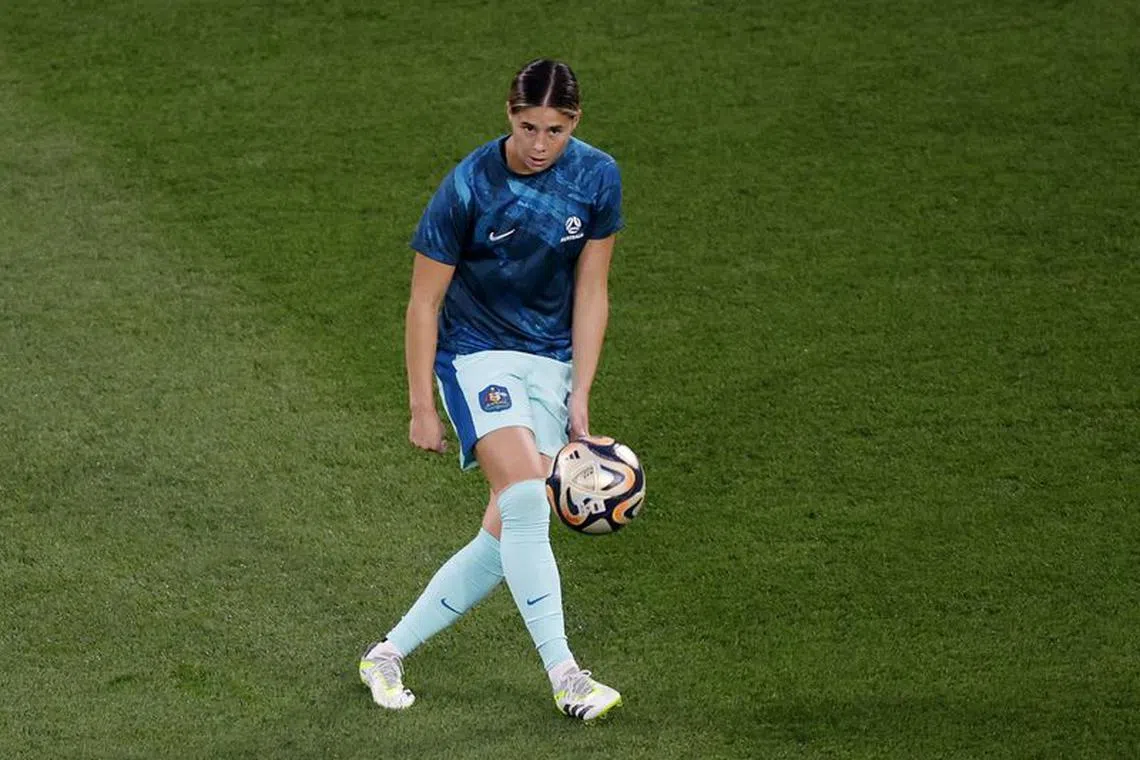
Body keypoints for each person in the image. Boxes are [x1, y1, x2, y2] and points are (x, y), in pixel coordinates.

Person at [358, 58, 625, 721]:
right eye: (527, 126)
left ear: (576, 123)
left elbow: (592, 289)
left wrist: (581, 393)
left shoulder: (597, 177)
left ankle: (386, 654)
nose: (539, 145)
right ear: (508, 114)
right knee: (531, 502)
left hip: (550, 363)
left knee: (502, 536)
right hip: (476, 357)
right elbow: (424, 304)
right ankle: (567, 677)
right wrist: (422, 405)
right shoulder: (469, 186)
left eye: (555, 130)